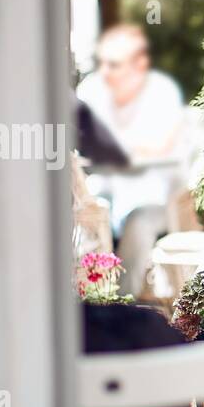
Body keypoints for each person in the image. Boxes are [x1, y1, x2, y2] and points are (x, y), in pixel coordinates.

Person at [76, 24, 189, 297]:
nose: (105, 72)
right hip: (103, 191)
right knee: (80, 218)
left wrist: (119, 148)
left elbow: (160, 148)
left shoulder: (162, 91)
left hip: (155, 197)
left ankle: (121, 306)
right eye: (102, 63)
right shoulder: (91, 89)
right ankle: (83, 303)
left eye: (114, 65)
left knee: (137, 226)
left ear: (140, 64)